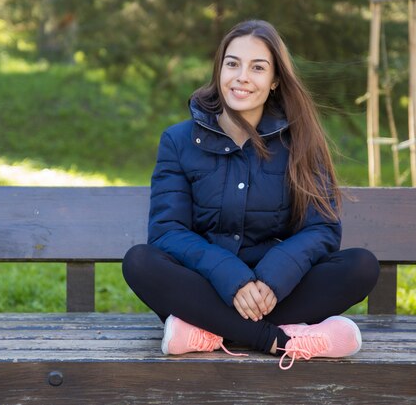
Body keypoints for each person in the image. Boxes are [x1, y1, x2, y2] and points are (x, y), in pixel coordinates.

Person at [122, 19, 380, 370]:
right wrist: (230, 276)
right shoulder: (178, 141)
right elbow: (167, 231)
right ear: (219, 70)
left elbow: (322, 230)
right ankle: (279, 340)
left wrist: (273, 279)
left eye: (257, 68)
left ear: (274, 80)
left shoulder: (302, 141)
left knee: (360, 267)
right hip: (206, 284)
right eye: (232, 64)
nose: (242, 76)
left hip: (279, 290)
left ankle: (207, 333)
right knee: (140, 262)